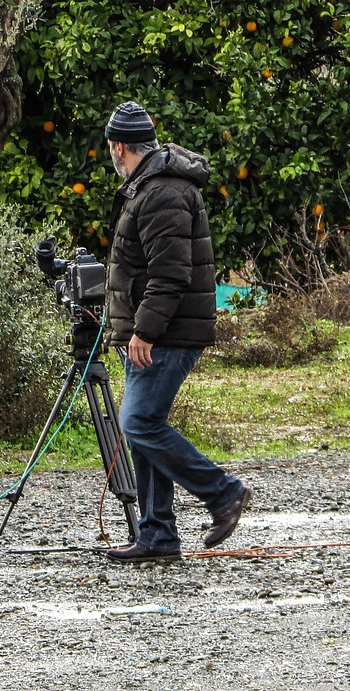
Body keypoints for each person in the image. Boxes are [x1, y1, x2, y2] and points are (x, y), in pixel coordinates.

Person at [99, 101, 250, 563]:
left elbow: (170, 274)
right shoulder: (146, 186)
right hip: (156, 330)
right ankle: (158, 534)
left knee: (138, 422)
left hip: (167, 332)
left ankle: (222, 492)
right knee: (146, 425)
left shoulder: (161, 191)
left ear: (119, 146)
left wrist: (143, 331)